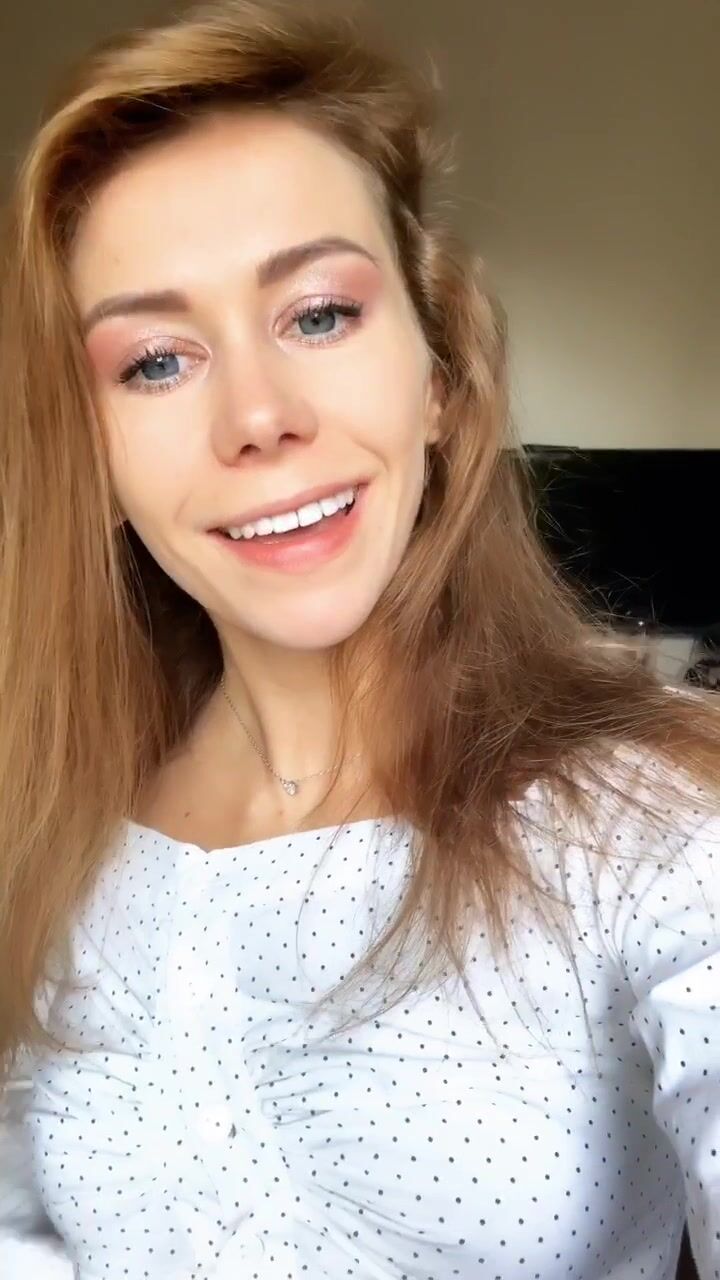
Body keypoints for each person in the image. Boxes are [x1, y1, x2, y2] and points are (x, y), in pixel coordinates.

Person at [0, 1, 718, 1277]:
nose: (259, 415)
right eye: (156, 361)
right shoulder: (49, 828)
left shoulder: (655, 819)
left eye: (320, 314)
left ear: (437, 375)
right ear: (90, 457)